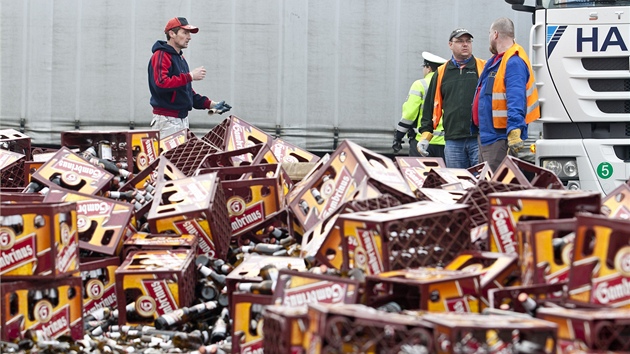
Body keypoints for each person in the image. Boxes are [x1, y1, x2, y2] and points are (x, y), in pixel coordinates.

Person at [472, 17, 540, 171]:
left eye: (490, 33)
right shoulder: (496, 62)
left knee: (496, 186)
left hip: (499, 139)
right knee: (486, 184)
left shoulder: (513, 62)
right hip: (487, 136)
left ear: (495, 34)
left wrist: (515, 129)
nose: (489, 37)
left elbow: (516, 98)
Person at [148, 17, 231, 138]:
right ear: (172, 33)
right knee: (170, 157)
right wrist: (190, 76)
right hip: (167, 122)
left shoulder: (180, 58)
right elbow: (161, 83)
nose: (189, 37)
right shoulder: (161, 55)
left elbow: (185, 91)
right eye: (185, 33)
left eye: (189, 33)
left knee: (178, 157)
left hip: (180, 120)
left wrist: (211, 104)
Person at [418, 28, 486, 169]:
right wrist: (425, 136)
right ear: (450, 45)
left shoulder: (483, 68)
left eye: (468, 41)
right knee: (457, 183)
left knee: (480, 183)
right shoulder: (442, 72)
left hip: (479, 138)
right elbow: (430, 107)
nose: (465, 44)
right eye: (460, 41)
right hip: (453, 141)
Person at [392, 52, 447, 159]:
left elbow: (409, 114)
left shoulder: (420, 84)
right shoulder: (448, 85)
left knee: (420, 173)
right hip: (445, 143)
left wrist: (399, 136)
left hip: (422, 141)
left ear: (428, 68)